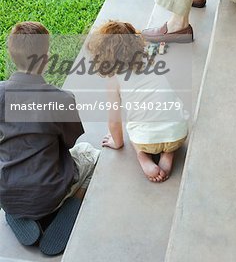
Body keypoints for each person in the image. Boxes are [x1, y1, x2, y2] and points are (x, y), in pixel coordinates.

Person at [0, 22, 100, 241]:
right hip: (49, 190)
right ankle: (67, 207)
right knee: (91, 154)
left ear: (11, 55)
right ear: (45, 60)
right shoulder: (61, 99)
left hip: (6, 191)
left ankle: (21, 210)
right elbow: (71, 142)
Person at [87, 20, 188, 182]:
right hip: (178, 132)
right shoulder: (149, 61)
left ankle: (143, 157)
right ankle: (168, 153)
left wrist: (117, 142)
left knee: (133, 124)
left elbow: (114, 121)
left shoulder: (114, 80)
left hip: (146, 140)